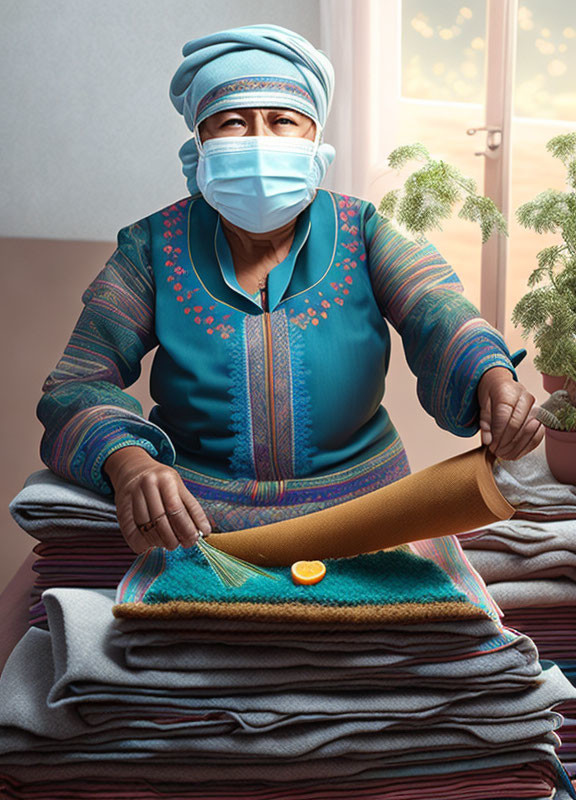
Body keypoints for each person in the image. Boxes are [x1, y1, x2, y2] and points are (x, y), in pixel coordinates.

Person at [36, 24, 544, 558]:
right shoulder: (150, 248)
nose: (260, 142)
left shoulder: (364, 231)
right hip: (197, 526)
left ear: (315, 140)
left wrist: (491, 377)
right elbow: (76, 383)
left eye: (283, 121)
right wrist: (130, 462)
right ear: (199, 145)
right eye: (232, 122)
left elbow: (437, 309)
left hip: (369, 516)